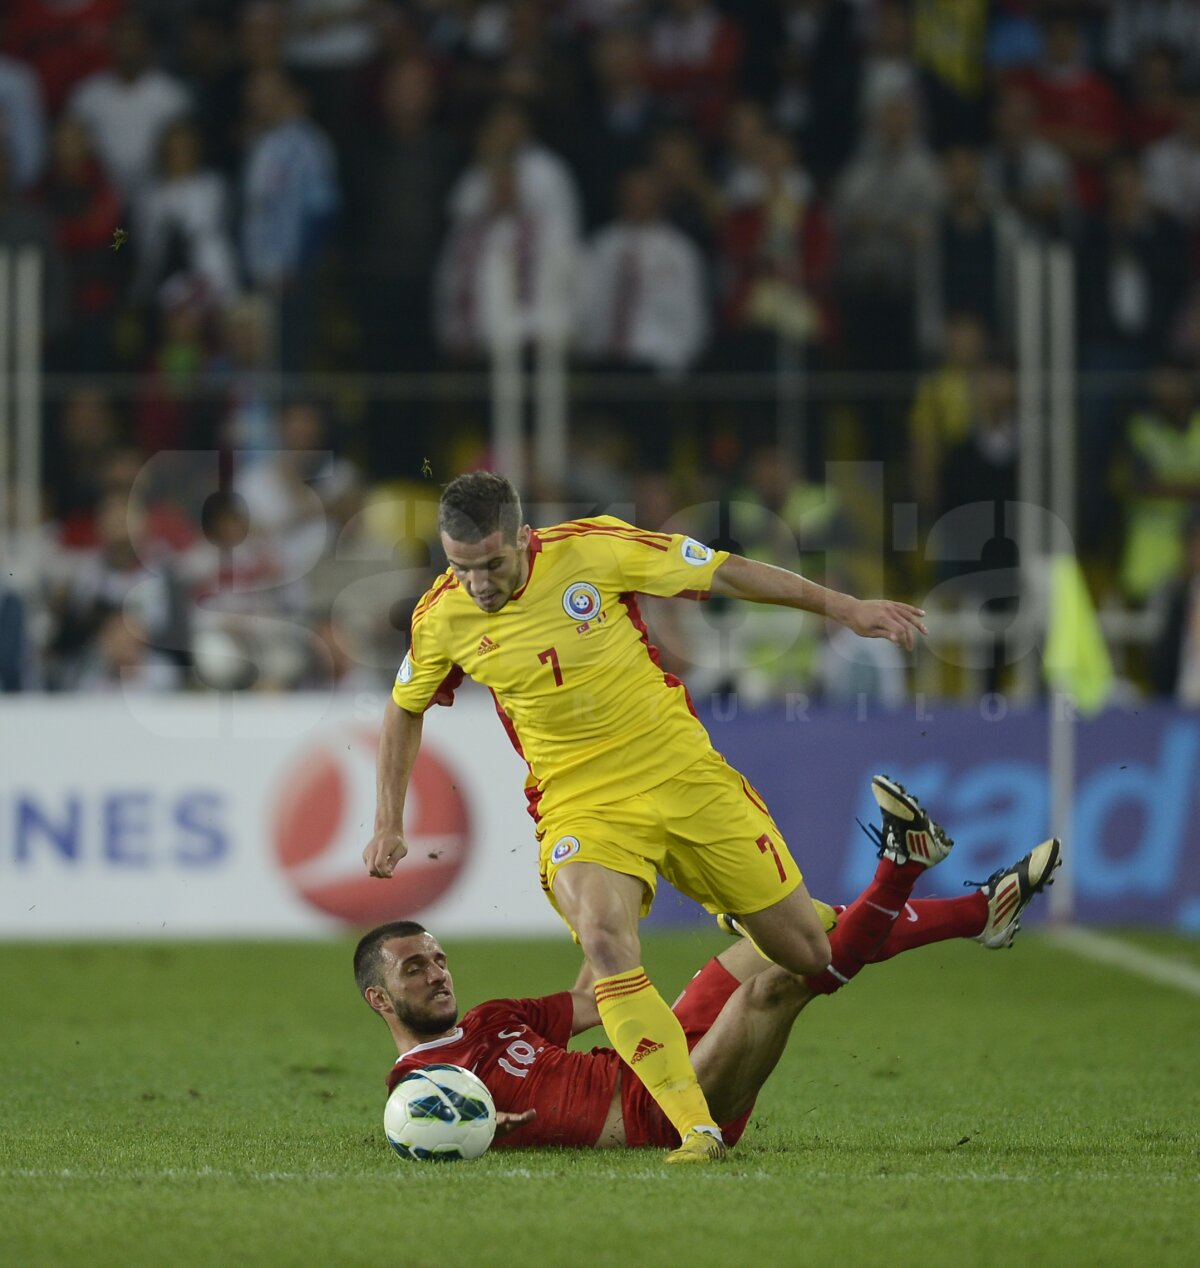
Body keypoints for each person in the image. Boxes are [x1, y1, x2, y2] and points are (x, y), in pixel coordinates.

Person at [362, 470, 929, 1163]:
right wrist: (388, 819)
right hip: (582, 802)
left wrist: (845, 609)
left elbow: (727, 574)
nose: (476, 584)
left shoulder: (595, 549)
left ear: (521, 537)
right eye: (460, 567)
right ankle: (695, 1127)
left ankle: (751, 909)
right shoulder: (441, 615)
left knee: (806, 952)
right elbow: (403, 708)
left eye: (490, 565)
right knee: (604, 942)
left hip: (681, 774)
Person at [356, 783, 1062, 1153]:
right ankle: (900, 866)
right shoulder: (419, 1085)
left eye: (438, 958)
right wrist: (483, 1125)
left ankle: (980, 914)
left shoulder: (492, 1019)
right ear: (379, 1000)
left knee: (796, 930)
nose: (437, 973)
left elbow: (595, 998)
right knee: (774, 989)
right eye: (414, 969)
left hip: (653, 1052)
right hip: (659, 1113)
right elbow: (435, 1120)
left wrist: (608, 900)